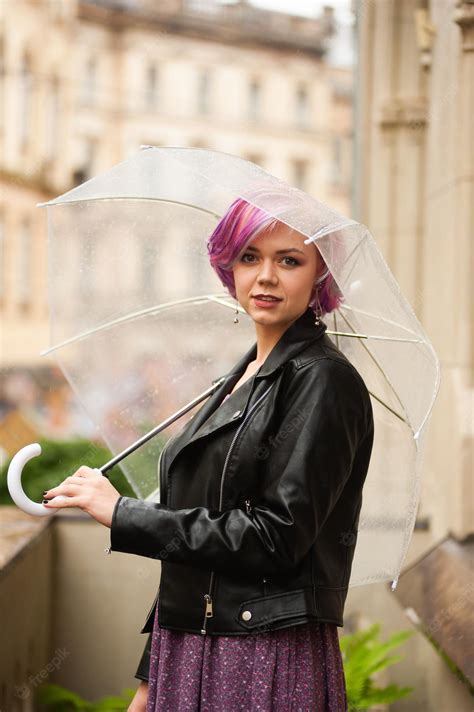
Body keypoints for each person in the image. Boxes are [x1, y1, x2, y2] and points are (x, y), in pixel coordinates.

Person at [42, 197, 374, 711]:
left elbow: (274, 539)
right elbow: (199, 556)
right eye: (249, 256)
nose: (265, 276)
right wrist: (151, 680)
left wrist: (125, 515)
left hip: (263, 651)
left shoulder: (322, 381)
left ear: (319, 278)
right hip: (192, 645)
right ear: (228, 267)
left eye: (289, 260)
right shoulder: (236, 379)